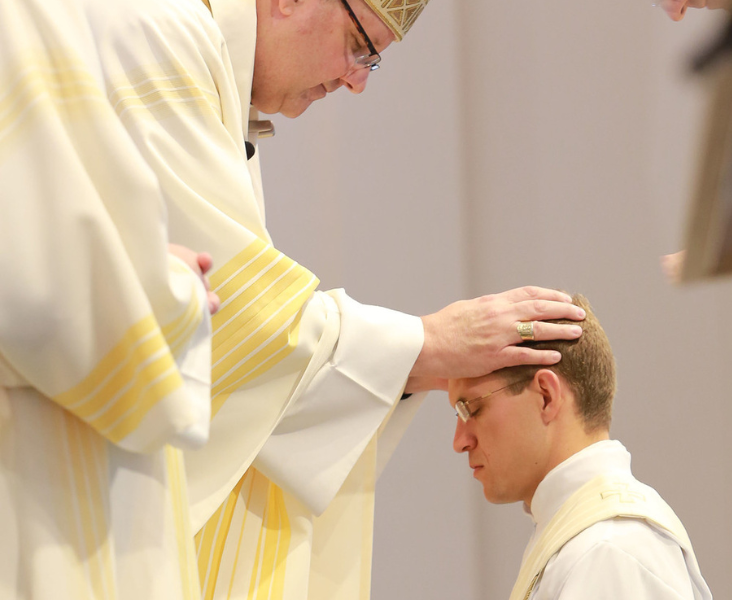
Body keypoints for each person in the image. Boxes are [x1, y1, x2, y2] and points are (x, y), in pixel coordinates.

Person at [8, 1, 587, 600]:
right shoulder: (157, 32)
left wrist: (414, 360)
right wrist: (428, 345)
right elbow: (230, 321)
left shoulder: (210, 72)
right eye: (361, 46)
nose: (356, 81)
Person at [0, 0, 227, 598]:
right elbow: (47, 287)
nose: (357, 81)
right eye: (362, 47)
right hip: (36, 471)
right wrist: (169, 289)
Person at [449, 295, 712, 600]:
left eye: (470, 408)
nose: (460, 441)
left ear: (546, 396)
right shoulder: (585, 538)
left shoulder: (609, 549)